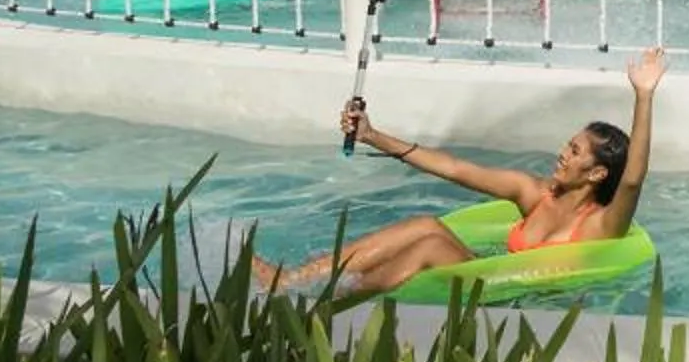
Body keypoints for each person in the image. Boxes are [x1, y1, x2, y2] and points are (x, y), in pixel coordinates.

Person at [254, 48, 665, 295]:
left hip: (526, 305)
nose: (562, 153)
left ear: (595, 174)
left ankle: (328, 302)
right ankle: (293, 281)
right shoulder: (535, 193)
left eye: (574, 151)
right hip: (489, 284)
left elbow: (631, 178)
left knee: (432, 247)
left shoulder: (601, 226)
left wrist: (643, 96)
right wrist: (373, 135)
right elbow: (454, 168)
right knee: (426, 225)